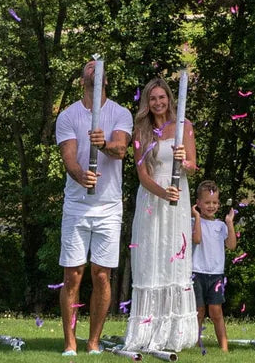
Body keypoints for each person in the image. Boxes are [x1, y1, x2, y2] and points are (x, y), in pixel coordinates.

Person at [56, 60, 134, 355]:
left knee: (102, 274)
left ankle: (93, 342)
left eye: (98, 67)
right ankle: (69, 342)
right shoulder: (68, 116)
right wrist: (81, 175)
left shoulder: (121, 113)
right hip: (77, 204)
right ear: (81, 80)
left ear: (106, 81)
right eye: (88, 67)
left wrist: (103, 145)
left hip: (109, 206)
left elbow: (121, 149)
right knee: (72, 274)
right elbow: (69, 157)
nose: (94, 68)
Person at [122, 77, 199, 353]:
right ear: (147, 102)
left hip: (178, 197)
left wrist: (184, 159)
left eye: (162, 97)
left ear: (169, 98)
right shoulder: (141, 131)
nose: (157, 103)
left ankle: (175, 330)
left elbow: (193, 166)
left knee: (173, 257)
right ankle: (146, 328)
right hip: (152, 200)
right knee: (152, 258)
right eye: (152, 98)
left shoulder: (184, 127)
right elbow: (142, 176)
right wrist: (162, 192)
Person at [191, 179, 237, 351]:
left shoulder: (220, 225)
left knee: (216, 311)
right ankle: (194, 343)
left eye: (215, 202)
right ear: (198, 203)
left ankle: (224, 347)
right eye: (207, 202)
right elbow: (196, 239)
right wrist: (196, 217)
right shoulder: (193, 221)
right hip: (197, 272)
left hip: (216, 274)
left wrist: (230, 223)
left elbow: (231, 245)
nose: (211, 206)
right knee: (199, 311)